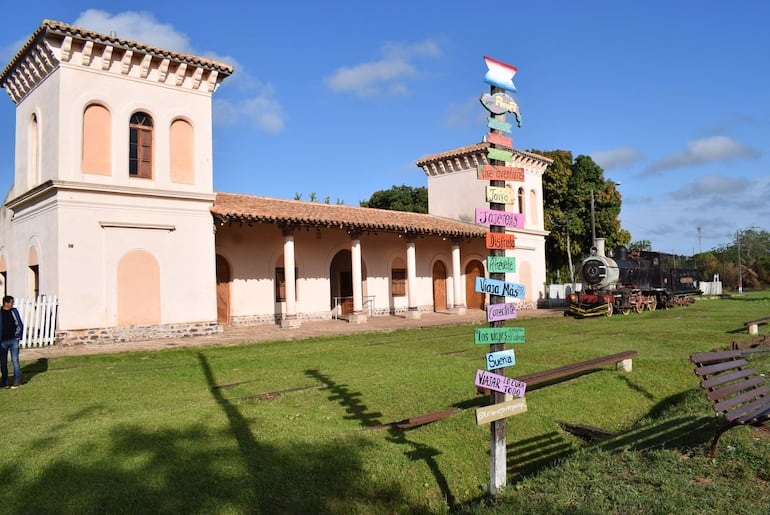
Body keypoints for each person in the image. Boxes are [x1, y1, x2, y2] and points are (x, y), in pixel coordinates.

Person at [0, 295, 24, 389]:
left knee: (15, 360)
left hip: (13, 340)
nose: (12, 304)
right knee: (3, 362)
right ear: (6, 303)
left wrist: (17, 336)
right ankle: (4, 381)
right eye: (11, 302)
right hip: (2, 342)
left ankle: (17, 380)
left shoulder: (14, 311)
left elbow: (19, 324)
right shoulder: (1, 312)